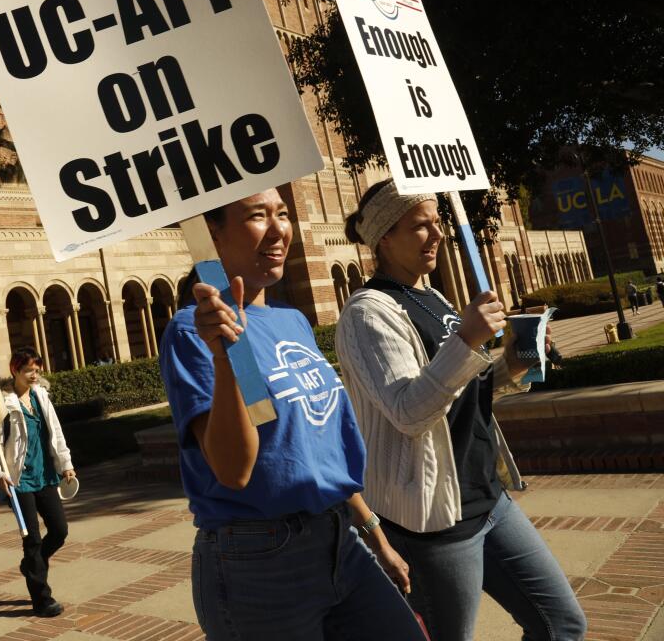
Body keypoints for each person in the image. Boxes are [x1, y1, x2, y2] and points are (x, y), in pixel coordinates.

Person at [159, 189, 424, 641]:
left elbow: (316, 451)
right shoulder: (190, 331)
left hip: (340, 541)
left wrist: (376, 538)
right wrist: (224, 358)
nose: (280, 228)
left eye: (282, 214)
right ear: (213, 235)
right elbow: (233, 469)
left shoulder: (292, 320)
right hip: (260, 563)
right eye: (258, 216)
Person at [335, 179, 586, 641]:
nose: (436, 235)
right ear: (384, 237)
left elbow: (467, 391)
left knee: (562, 623)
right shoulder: (367, 313)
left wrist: (514, 362)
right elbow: (408, 412)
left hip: (488, 494)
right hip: (435, 518)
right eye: (419, 226)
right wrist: (467, 339)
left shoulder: (432, 297)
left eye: (437, 223)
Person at [0, 347, 75, 618]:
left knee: (59, 530)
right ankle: (41, 599)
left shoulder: (41, 396)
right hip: (19, 480)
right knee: (32, 540)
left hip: (45, 475)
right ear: (15, 370)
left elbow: (56, 431)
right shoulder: (4, 403)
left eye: (37, 370)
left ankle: (31, 566)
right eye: (29, 371)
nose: (34, 375)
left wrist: (66, 464)